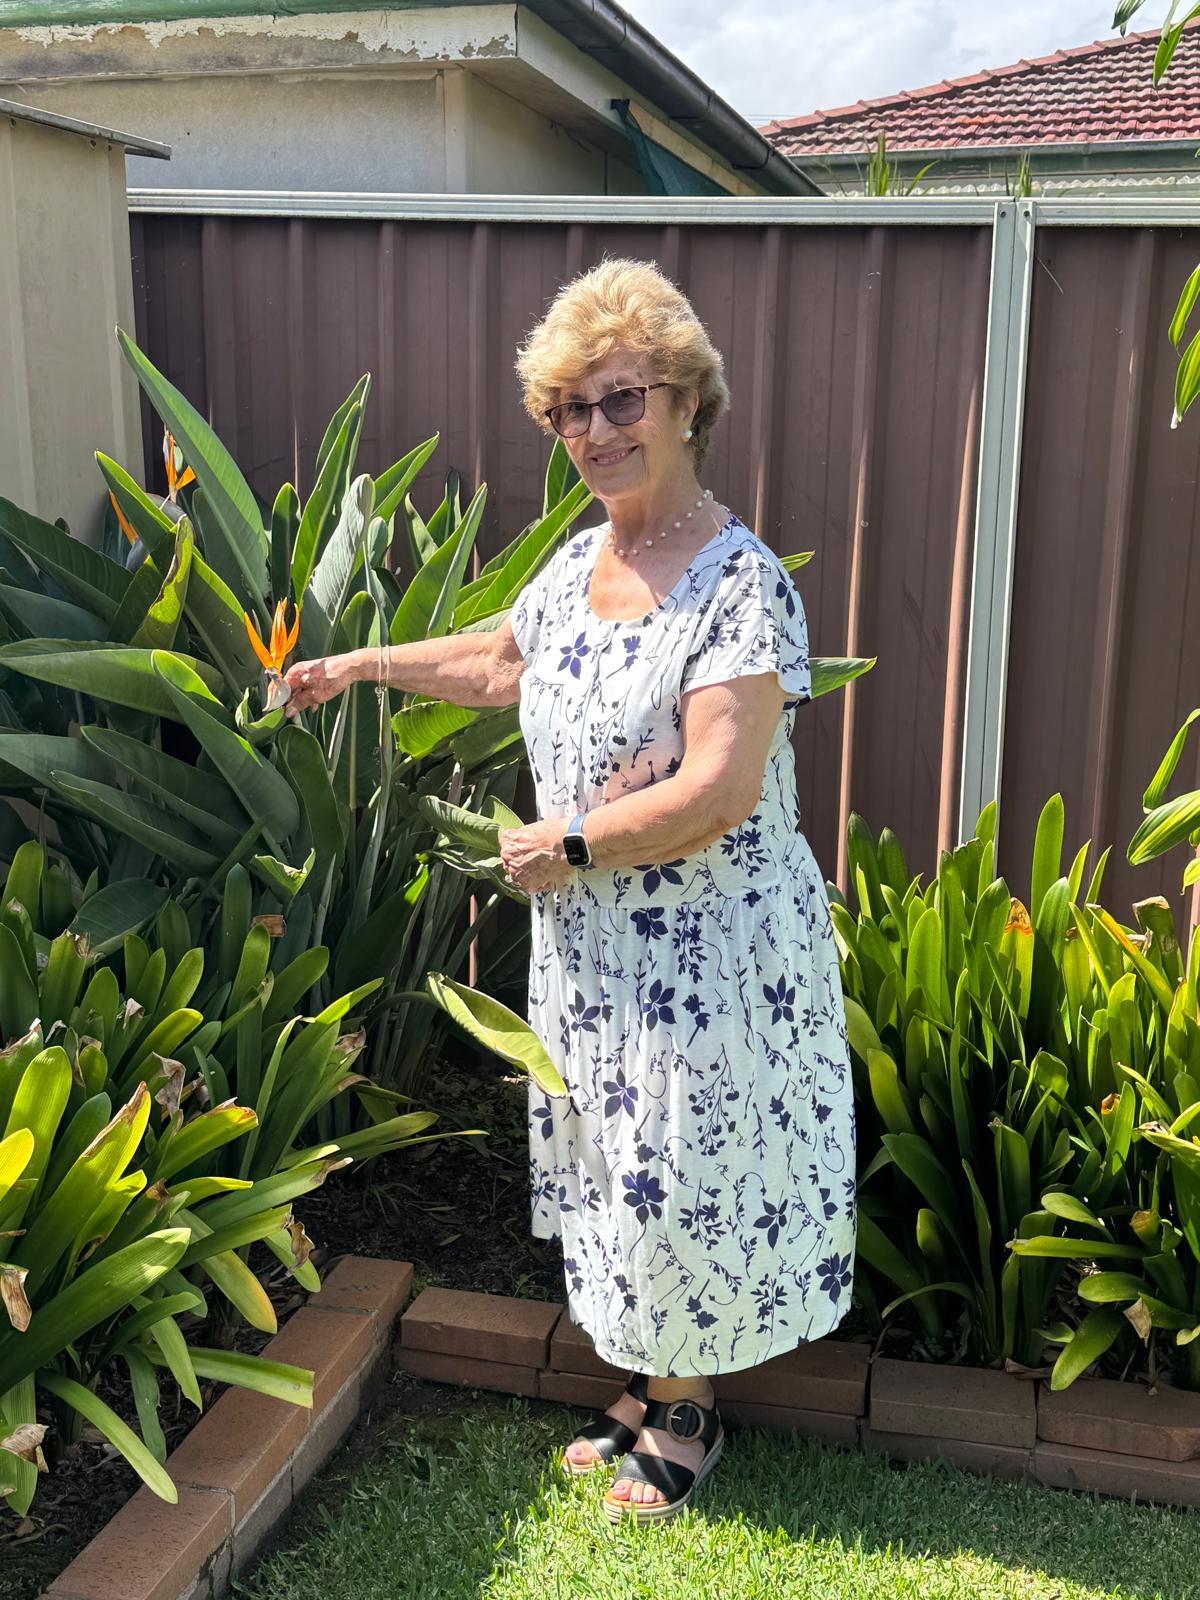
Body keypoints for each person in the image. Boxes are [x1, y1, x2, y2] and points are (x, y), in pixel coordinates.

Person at [283, 255, 856, 1528]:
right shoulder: (584, 557)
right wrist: (358, 662)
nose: (593, 433)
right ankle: (653, 1385)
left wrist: (573, 844)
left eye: (620, 399)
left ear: (687, 401)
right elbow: (500, 659)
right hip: (596, 956)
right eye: (569, 411)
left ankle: (689, 1410)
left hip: (707, 951)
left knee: (685, 1161)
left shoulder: (738, 581)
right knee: (624, 1168)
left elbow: (717, 788)